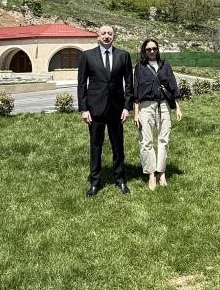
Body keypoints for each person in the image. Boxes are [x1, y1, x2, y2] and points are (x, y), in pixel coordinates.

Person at [77, 24, 134, 197]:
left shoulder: (123, 56)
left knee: (118, 146)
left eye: (110, 33)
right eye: (103, 33)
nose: (107, 36)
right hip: (95, 109)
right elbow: (82, 85)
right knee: (96, 146)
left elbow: (129, 84)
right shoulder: (87, 56)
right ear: (98, 36)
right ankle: (95, 182)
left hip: (117, 110)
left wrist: (127, 107)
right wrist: (84, 109)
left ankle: (120, 179)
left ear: (114, 37)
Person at [133, 38, 183, 190]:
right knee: (146, 141)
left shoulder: (165, 65)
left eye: (154, 48)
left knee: (164, 139)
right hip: (146, 106)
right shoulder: (140, 67)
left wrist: (178, 107)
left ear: (158, 49)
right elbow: (136, 90)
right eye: (148, 49)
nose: (152, 51)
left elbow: (172, 85)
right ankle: (151, 174)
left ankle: (161, 172)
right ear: (144, 51)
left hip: (163, 105)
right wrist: (136, 113)